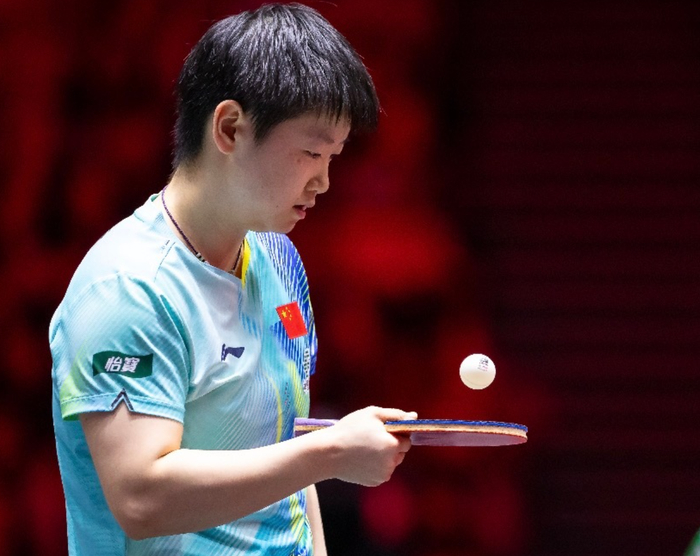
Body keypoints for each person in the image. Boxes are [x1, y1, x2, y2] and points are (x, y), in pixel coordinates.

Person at [50, 4, 415, 555]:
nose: (323, 180)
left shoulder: (277, 260)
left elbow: (286, 455)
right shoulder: (129, 287)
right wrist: (331, 452)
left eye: (333, 157)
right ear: (229, 128)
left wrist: (320, 467)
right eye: (311, 152)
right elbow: (141, 498)